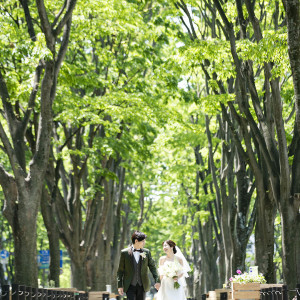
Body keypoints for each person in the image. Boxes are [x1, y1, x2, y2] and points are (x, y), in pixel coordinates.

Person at [117, 231, 161, 300]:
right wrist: (120, 286)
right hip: (129, 285)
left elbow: (153, 267)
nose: (144, 243)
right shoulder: (124, 253)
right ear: (136, 241)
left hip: (142, 285)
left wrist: (157, 280)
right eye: (143, 241)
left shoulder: (146, 252)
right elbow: (120, 271)